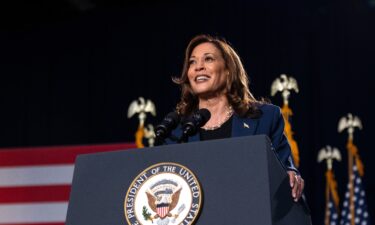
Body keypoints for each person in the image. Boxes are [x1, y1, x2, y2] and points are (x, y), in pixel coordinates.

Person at [167, 34, 304, 202]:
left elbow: (284, 166)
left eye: (208, 59)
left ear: (228, 70)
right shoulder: (176, 130)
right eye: (192, 62)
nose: (198, 67)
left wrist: (291, 175)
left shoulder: (264, 118)